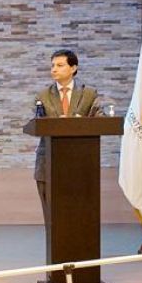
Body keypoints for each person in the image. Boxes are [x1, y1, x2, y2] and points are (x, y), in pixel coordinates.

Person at [34, 49, 101, 235]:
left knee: (80, 219)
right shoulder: (43, 96)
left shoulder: (88, 94)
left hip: (80, 166)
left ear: (73, 68)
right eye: (52, 65)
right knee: (53, 220)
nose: (54, 69)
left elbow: (100, 119)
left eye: (60, 65)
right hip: (48, 164)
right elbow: (38, 124)